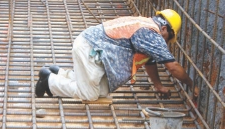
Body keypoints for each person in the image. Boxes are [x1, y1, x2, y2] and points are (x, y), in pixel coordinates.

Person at [35, 9, 199, 102]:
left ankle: (61, 74)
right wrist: (191, 84)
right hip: (90, 50)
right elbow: (173, 67)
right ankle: (50, 82)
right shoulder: (151, 34)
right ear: (165, 29)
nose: (166, 43)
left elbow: (150, 61)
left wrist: (158, 86)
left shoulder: (145, 25)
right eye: (168, 38)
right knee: (89, 95)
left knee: (101, 91)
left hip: (90, 48)